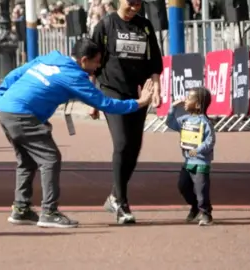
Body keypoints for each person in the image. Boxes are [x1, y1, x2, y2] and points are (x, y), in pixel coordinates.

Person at [0, 38, 154, 229]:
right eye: (96, 61)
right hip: (22, 113)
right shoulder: (75, 76)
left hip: (6, 110)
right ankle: (49, 212)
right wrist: (139, 103)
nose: (98, 66)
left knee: (27, 160)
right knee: (50, 158)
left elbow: (14, 75)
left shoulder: (50, 57)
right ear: (83, 60)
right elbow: (106, 104)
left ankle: (21, 208)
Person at [90, 0, 163, 224]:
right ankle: (122, 203)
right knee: (121, 143)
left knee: (133, 147)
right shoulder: (105, 25)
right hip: (111, 90)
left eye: (138, 5)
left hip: (139, 93)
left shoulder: (145, 26)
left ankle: (114, 195)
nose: (133, 9)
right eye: (130, 4)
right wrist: (92, 99)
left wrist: (157, 88)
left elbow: (154, 63)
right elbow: (92, 63)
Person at [165, 87, 216, 226]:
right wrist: (172, 108)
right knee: (183, 186)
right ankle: (195, 207)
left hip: (201, 163)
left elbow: (210, 141)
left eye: (189, 98)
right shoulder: (185, 120)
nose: (185, 101)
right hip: (188, 162)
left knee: (201, 190)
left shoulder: (205, 122)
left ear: (198, 105)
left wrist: (198, 149)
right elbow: (170, 123)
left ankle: (206, 214)